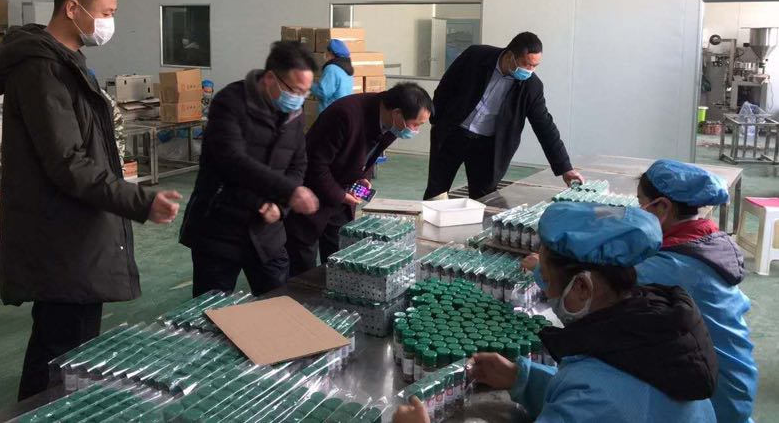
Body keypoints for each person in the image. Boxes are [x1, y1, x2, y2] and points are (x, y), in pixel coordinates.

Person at [0, 0, 182, 401]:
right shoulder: (41, 70)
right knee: (57, 354)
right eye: (105, 13)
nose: (109, 23)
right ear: (73, 8)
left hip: (77, 232)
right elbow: (67, 163)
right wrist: (139, 201)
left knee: (71, 351)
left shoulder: (68, 63)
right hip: (60, 238)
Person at [395, 202, 719, 423]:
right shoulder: (655, 329)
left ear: (582, 287)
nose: (547, 294)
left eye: (547, 281)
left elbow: (597, 400)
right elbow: (595, 390)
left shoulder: (598, 394)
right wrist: (523, 378)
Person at [179, 41, 320, 296]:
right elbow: (232, 161)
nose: (299, 98)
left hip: (268, 233)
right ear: (270, 78)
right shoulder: (230, 102)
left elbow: (298, 164)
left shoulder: (295, 114)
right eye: (295, 90)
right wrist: (289, 192)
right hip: (220, 230)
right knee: (213, 309)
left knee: (278, 305)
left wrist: (281, 206)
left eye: (305, 92)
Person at [635, 159, 758, 423]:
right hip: (736, 384)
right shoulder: (707, 240)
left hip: (717, 401)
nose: (638, 211)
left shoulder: (676, 267)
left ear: (662, 207)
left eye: (640, 203)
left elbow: (607, 284)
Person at [285, 82, 432, 275]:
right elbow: (314, 165)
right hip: (311, 193)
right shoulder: (345, 115)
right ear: (397, 113)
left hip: (342, 192)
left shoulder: (390, 122)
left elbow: (370, 151)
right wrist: (340, 195)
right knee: (303, 258)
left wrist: (362, 176)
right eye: (416, 124)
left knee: (339, 253)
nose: (415, 130)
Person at [424, 32, 583, 200]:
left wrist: (565, 168)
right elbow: (446, 86)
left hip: (488, 146)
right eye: (526, 64)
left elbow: (544, 126)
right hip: (452, 133)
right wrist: (436, 120)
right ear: (510, 56)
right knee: (436, 191)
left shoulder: (531, 87)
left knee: (484, 198)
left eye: (535, 66)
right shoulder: (475, 57)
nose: (530, 70)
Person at [311, 38, 354, 112]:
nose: (325, 53)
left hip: (330, 112)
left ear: (331, 53)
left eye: (327, 51)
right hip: (343, 110)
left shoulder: (332, 69)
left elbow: (323, 92)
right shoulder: (347, 69)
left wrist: (309, 84)